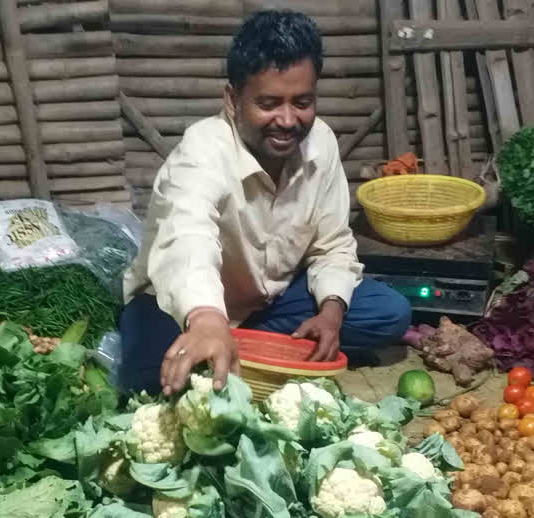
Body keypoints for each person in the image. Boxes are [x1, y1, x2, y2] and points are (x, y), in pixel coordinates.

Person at [119, 9, 412, 395]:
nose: (288, 120)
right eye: (269, 103)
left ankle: (241, 340)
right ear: (232, 99)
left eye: (302, 102)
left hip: (267, 304)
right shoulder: (201, 152)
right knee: (151, 382)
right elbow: (185, 240)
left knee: (389, 313)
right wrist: (206, 317)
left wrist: (331, 311)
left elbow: (333, 244)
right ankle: (224, 337)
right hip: (178, 306)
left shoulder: (320, 143)